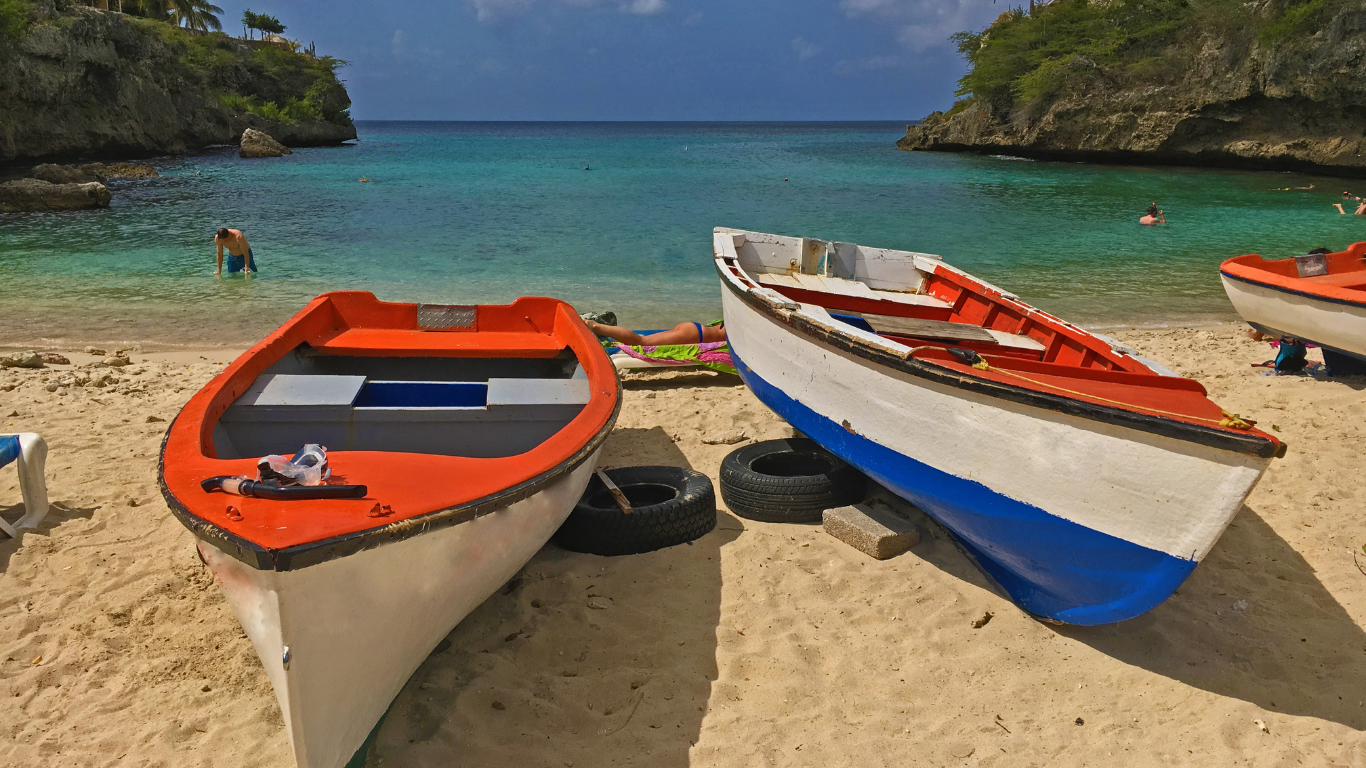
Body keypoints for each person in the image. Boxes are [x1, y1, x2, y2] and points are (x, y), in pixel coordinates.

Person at [584, 319, 725, 346]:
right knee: (641, 342)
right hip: (696, 336)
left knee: (642, 339)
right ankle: (595, 326)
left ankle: (598, 327)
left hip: (695, 329)